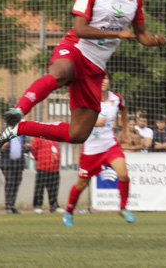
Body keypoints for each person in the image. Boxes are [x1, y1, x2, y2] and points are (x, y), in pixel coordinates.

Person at [0, 0, 166, 150]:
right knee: (60, 72)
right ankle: (18, 110)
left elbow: (141, 34)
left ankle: (17, 129)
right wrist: (116, 34)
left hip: (95, 68)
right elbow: (80, 29)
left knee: (78, 134)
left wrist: (155, 41)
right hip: (76, 48)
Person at [63, 72, 136, 226]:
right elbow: (76, 122)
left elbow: (123, 109)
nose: (103, 81)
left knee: (123, 174)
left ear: (109, 81)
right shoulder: (86, 99)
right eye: (99, 79)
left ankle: (123, 208)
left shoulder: (116, 98)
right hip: (91, 149)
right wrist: (94, 122)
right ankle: (68, 212)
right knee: (82, 184)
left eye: (106, 78)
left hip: (110, 145)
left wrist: (124, 130)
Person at [30, 136, 64, 213]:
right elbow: (33, 150)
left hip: (54, 168)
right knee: (39, 188)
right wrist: (40, 159)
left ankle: (54, 206)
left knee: (54, 189)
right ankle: (37, 206)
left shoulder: (54, 137)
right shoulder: (38, 137)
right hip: (42, 167)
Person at [0, 135, 30, 214]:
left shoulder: (23, 135)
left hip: (19, 164)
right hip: (8, 164)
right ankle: (8, 206)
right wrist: (3, 146)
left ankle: (12, 206)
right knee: (10, 183)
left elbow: (26, 149)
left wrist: (27, 147)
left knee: (16, 184)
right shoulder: (4, 134)